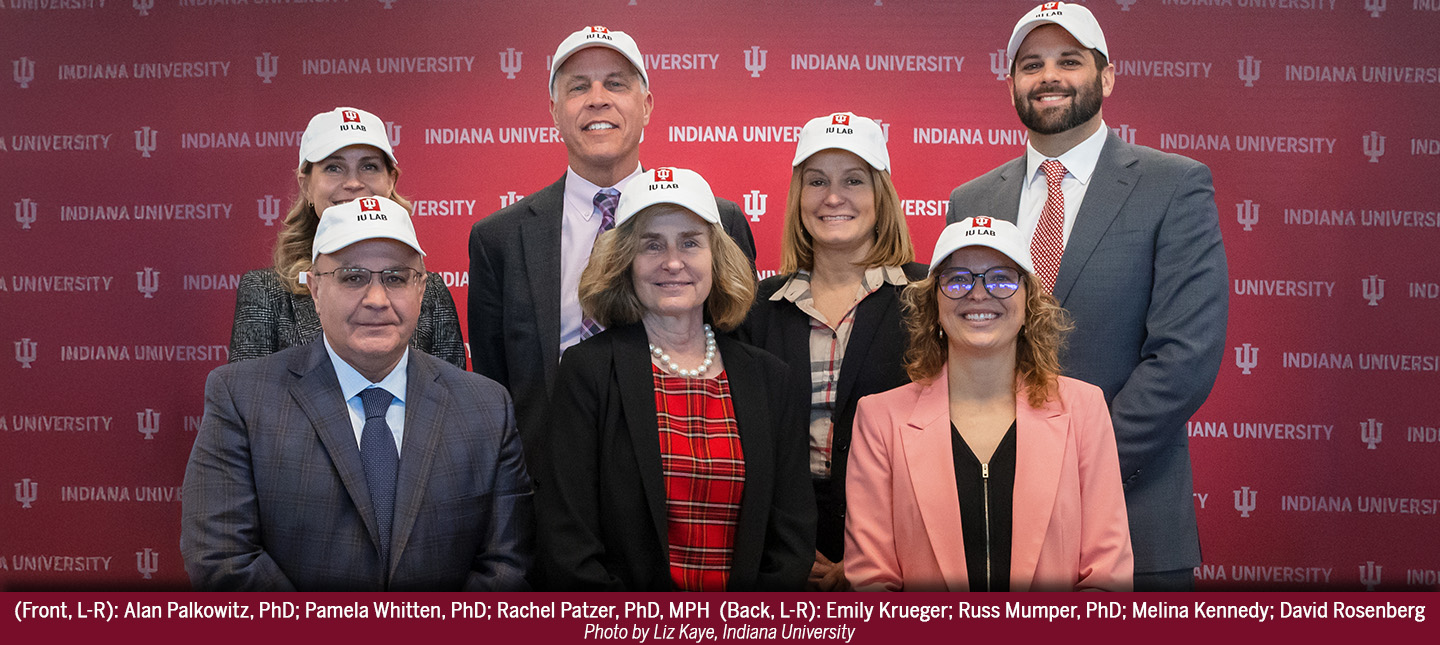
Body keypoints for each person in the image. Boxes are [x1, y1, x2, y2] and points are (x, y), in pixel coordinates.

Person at [946, 2, 1227, 590]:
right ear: (1012, 84)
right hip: (993, 522)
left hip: (1131, 516)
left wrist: (1077, 469)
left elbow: (1184, 357)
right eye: (1030, 65)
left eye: (1068, 61)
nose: (1048, 77)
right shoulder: (971, 199)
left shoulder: (1174, 185)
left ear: (1106, 76)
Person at [182, 196, 532, 591]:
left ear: (421, 289)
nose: (377, 300)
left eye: (396, 278)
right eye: (352, 277)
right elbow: (223, 559)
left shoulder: (486, 407)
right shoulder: (241, 399)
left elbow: (505, 565)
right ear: (314, 289)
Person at [468, 27, 757, 463]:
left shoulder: (719, 221)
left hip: (685, 470)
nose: (597, 98)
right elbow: (495, 387)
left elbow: (741, 356)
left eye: (616, 83)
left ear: (646, 106)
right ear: (554, 112)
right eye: (578, 86)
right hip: (549, 485)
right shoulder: (500, 239)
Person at [536, 168, 812, 591]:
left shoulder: (770, 379)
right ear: (624, 261)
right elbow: (567, 542)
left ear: (716, 258)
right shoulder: (587, 371)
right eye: (652, 245)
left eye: (690, 242)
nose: (672, 262)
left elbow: (791, 541)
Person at [844, 217, 1132, 592]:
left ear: (1029, 301)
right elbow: (872, 580)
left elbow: (1106, 575)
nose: (979, 294)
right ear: (934, 306)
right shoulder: (880, 418)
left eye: (1001, 278)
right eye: (958, 279)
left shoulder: (1083, 408)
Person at [738, 112, 922, 591]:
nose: (833, 197)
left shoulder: (930, 297)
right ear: (799, 196)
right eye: (816, 181)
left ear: (881, 196)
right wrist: (790, 551)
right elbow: (746, 451)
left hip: (901, 556)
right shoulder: (755, 310)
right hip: (780, 560)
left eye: (853, 181)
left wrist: (871, 559)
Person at [230, 106, 465, 369]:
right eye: (334, 168)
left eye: (369, 166)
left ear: (391, 180)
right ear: (305, 184)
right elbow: (249, 397)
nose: (353, 183)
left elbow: (450, 395)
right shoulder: (266, 292)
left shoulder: (430, 291)